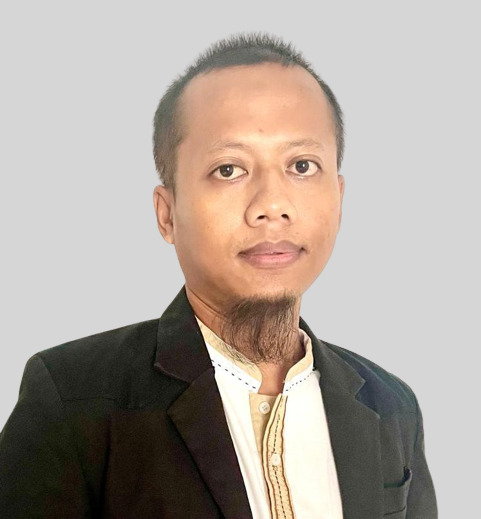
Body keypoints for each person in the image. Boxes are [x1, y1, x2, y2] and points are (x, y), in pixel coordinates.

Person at [0, 33, 437, 519]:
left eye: (301, 165)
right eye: (229, 169)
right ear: (167, 214)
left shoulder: (391, 405)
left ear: (338, 199)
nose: (272, 205)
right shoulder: (74, 400)